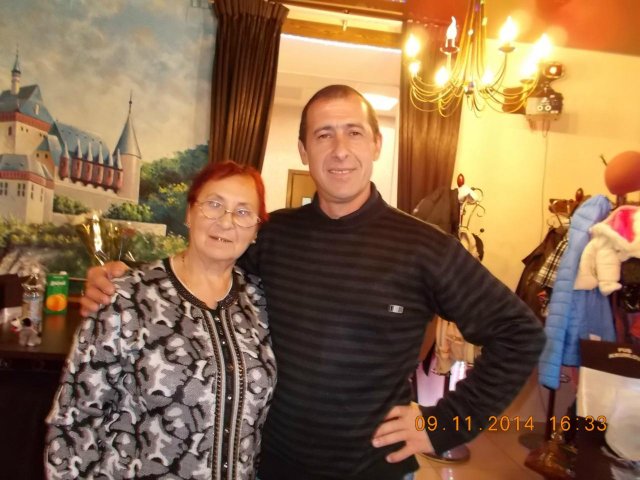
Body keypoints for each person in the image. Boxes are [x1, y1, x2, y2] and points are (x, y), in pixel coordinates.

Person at [80, 85, 546, 480]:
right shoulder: (274, 234)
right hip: (271, 465)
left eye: (354, 132)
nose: (339, 149)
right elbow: (205, 265)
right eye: (324, 135)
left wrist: (444, 424)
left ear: (376, 144)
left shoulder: (426, 248)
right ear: (304, 151)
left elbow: (520, 334)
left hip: (372, 470)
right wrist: (127, 279)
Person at [45, 161, 276, 480]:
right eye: (214, 204)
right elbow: (74, 422)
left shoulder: (260, 301)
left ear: (255, 230)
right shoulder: (125, 297)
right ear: (189, 213)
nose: (226, 221)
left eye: (242, 211)